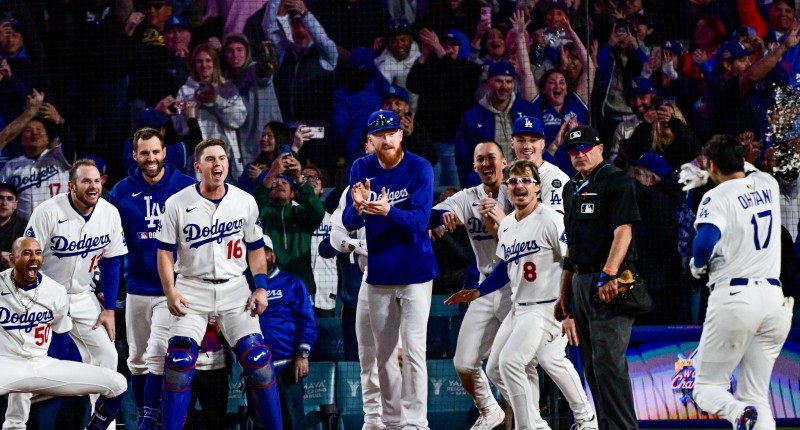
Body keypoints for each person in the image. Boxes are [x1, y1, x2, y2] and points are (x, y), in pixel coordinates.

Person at [445, 159, 594, 430]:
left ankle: (533, 426)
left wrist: (569, 310)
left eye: (526, 180)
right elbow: (505, 267)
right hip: (519, 307)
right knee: (500, 368)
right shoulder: (507, 225)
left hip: (547, 307)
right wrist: (478, 291)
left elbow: (573, 260)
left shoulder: (550, 219)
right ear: (507, 188)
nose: (519, 185)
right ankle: (577, 419)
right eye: (513, 181)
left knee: (511, 362)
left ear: (537, 187)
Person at [155, 139, 282, 429]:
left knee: (259, 361)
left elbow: (255, 248)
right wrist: (170, 290)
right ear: (198, 166)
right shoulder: (177, 203)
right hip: (191, 288)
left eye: (222, 158)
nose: (218, 164)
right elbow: (164, 252)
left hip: (234, 288)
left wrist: (261, 287)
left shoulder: (244, 201)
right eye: (210, 159)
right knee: (178, 364)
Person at [11, 158, 128, 428]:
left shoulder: (109, 213)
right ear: (71, 186)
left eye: (97, 181)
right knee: (30, 363)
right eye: (86, 181)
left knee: (108, 355)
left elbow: (112, 261)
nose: (93, 186)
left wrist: (110, 308)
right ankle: (15, 424)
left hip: (82, 296)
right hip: (42, 297)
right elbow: (27, 259)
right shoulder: (47, 212)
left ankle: (101, 424)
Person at [689, 135, 793, 430]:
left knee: (706, 388)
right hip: (774, 301)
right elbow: (746, 168)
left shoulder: (717, 196)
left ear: (712, 165)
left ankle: (737, 412)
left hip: (735, 299)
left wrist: (697, 265)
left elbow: (703, 244)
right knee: (757, 396)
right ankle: (747, 411)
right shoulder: (767, 183)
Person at [343, 110, 437, 429]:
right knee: (383, 356)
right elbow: (348, 222)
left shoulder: (419, 167)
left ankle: (416, 424)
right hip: (380, 273)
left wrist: (388, 211)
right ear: (370, 140)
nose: (386, 140)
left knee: (413, 350)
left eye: (391, 133)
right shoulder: (361, 167)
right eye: (379, 135)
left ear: (400, 135)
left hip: (415, 271)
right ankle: (393, 422)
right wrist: (358, 207)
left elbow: (420, 221)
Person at [107, 127, 197, 429]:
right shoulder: (120, 191)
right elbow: (111, 241)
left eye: (156, 152)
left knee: (159, 353)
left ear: (164, 153)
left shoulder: (187, 187)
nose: (151, 158)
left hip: (173, 288)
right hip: (136, 287)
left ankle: (151, 419)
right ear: (135, 155)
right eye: (144, 153)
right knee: (136, 360)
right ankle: (150, 416)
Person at [553, 126, 641, 430]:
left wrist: (609, 274)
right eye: (573, 151)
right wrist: (564, 293)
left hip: (611, 280)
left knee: (608, 362)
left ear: (600, 148)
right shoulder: (570, 188)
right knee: (592, 365)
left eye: (585, 149)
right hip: (580, 280)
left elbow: (624, 230)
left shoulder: (616, 180)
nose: (579, 155)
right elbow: (571, 245)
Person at [0, 237, 128, 430]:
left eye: (38, 253)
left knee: (117, 384)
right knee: (15, 419)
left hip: (41, 364)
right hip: (6, 364)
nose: (34, 258)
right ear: (12, 259)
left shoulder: (55, 291)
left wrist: (55, 374)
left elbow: (61, 337)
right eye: (26, 253)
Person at [430, 140, 511, 429]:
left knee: (512, 364)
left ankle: (532, 421)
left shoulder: (517, 191)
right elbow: (429, 215)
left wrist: (498, 219)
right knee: (464, 363)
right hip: (484, 287)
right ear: (474, 166)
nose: (486, 163)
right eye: (480, 159)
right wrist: (443, 217)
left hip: (516, 289)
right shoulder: (467, 197)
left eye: (491, 157)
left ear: (504, 162)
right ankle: (489, 409)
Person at [257, 235, 318, 429]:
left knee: (293, 422)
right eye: (256, 253)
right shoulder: (245, 286)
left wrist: (303, 354)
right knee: (263, 424)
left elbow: (307, 321)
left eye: (265, 252)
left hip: (288, 367)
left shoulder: (292, 283)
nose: (260, 256)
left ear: (273, 256)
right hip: (258, 369)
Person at [455, 61, 541, 186]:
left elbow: (540, 146)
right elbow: (463, 158)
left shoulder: (528, 110)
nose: (504, 86)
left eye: (509, 81)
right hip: (490, 183)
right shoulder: (472, 117)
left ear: (514, 83)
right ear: (489, 82)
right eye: (499, 81)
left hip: (525, 179)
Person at [255, 151, 325, 297]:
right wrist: (271, 174)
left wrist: (299, 178)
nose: (279, 184)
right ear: (268, 193)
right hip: (270, 287)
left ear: (293, 193)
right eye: (275, 183)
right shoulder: (263, 215)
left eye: (284, 182)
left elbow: (317, 211)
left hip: (301, 286)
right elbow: (251, 210)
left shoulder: (301, 214)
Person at [173, 42, 248, 178]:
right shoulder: (185, 91)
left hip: (225, 156)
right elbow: (180, 129)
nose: (204, 65)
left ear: (215, 63)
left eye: (208, 61)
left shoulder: (228, 88)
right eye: (199, 61)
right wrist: (191, 109)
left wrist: (216, 100)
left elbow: (238, 120)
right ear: (194, 64)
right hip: (200, 159)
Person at [0, 117, 71, 219]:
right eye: (28, 130)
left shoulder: (59, 156)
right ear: (22, 140)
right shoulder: (10, 166)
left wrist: (60, 121)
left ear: (47, 138)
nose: (34, 133)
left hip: (57, 223)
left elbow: (72, 143)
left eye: (39, 129)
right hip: (23, 226)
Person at [0, 183, 26, 270]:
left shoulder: (25, 228)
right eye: (0, 198)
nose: (4, 203)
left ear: (15, 205)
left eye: (9, 199)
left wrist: (14, 265)